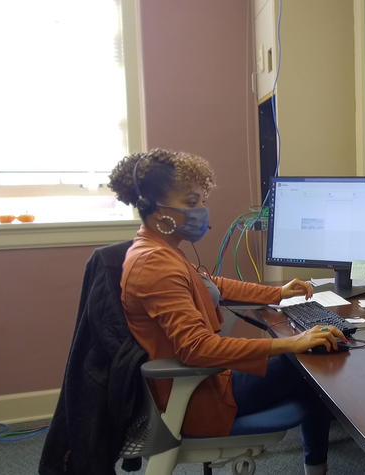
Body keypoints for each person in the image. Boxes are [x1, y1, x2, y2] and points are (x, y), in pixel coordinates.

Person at [108, 148, 346, 475]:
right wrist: (294, 342)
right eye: (191, 203)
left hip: (207, 382)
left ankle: (316, 466)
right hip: (199, 397)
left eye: (200, 200)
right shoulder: (154, 264)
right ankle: (318, 467)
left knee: (309, 356)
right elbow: (198, 348)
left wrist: (276, 292)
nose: (202, 211)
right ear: (156, 210)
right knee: (312, 364)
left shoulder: (158, 250)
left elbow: (212, 283)